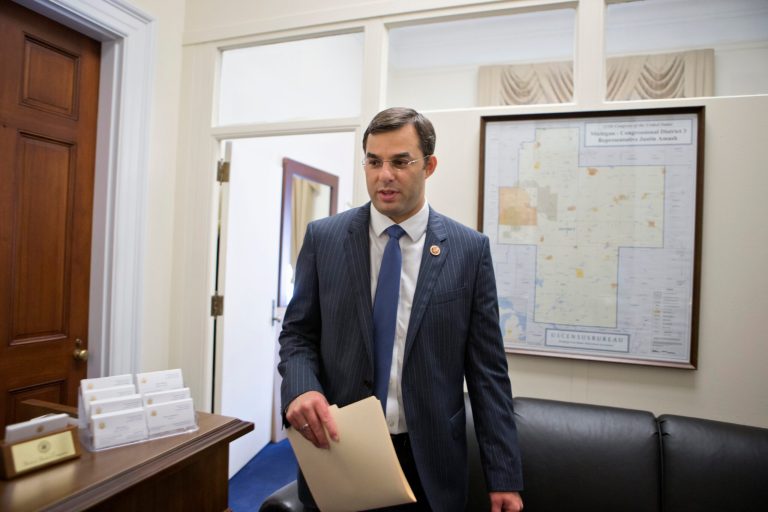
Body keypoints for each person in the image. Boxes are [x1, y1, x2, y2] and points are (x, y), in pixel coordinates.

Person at [278, 107, 524, 512]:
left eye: (399, 161)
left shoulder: (468, 251)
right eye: (373, 162)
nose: (384, 175)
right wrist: (301, 386)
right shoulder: (325, 239)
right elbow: (298, 334)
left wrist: (504, 477)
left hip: (429, 461)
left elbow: (488, 373)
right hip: (342, 450)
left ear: (429, 166)